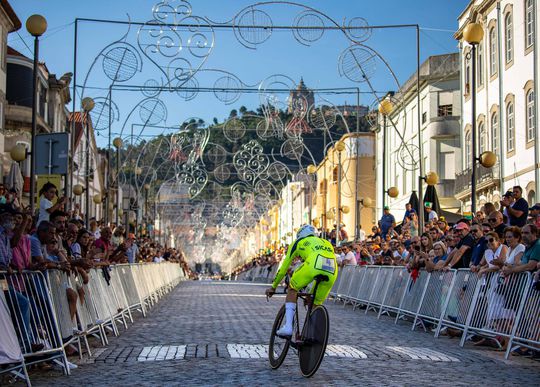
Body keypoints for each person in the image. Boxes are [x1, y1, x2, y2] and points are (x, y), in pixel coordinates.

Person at [265, 224, 337, 336]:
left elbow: (284, 267)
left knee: (292, 289)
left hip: (313, 265)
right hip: (332, 270)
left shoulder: (298, 242)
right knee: (315, 303)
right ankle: (312, 335)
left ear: (300, 235)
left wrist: (273, 287)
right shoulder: (326, 243)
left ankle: (288, 327)